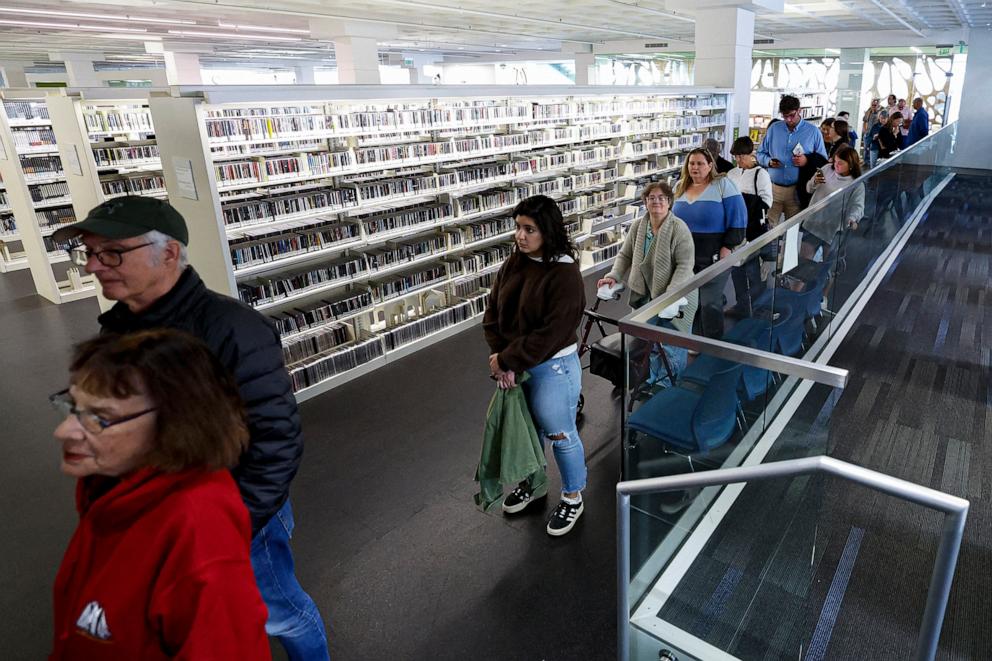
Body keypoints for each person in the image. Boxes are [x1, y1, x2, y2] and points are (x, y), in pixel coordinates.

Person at [51, 197, 329, 660]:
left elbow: (275, 440)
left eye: (112, 252)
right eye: (89, 253)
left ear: (169, 253)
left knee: (278, 610)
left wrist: (230, 523)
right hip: (155, 509)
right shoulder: (117, 328)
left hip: (231, 514)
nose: (94, 267)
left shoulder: (234, 329)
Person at [50, 330, 270, 659]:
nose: (63, 431)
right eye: (73, 406)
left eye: (100, 418)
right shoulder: (108, 489)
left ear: (174, 424)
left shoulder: (198, 532)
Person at [483, 194, 588, 537]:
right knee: (530, 432)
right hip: (518, 367)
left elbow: (551, 334)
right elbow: (492, 314)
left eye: (529, 229)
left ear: (548, 231)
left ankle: (573, 496)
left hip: (552, 370)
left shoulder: (564, 274)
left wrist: (507, 360)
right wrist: (504, 360)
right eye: (517, 228)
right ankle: (536, 481)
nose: (520, 236)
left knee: (561, 434)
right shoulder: (515, 263)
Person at [598, 181, 697, 382]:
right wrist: (613, 276)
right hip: (646, 294)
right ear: (645, 201)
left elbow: (685, 265)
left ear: (670, 202)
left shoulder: (679, 228)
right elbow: (625, 255)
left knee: (671, 343)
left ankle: (669, 385)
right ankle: (649, 379)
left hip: (677, 296)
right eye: (652, 198)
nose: (657, 202)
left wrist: (671, 295)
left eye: (662, 198)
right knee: (643, 340)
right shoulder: (638, 226)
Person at [672, 148, 748, 338]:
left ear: (710, 166)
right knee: (690, 301)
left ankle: (713, 345)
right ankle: (696, 339)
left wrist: (728, 246)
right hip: (685, 256)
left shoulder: (723, 184)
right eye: (691, 163)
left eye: (700, 163)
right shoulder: (680, 187)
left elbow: (738, 218)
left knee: (709, 302)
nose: (695, 167)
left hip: (714, 254)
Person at [756, 94, 828, 229]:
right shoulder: (774, 129)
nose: (788, 120)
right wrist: (769, 161)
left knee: (793, 230)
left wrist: (807, 160)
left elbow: (823, 161)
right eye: (785, 116)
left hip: (797, 189)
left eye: (791, 115)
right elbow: (760, 154)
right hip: (773, 188)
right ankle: (770, 251)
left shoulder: (813, 132)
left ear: (799, 110)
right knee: (767, 230)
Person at [726, 136, 773, 314]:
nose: (738, 160)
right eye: (736, 157)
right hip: (735, 228)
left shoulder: (761, 174)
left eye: (741, 156)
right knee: (736, 270)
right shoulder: (731, 174)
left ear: (750, 154)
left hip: (753, 229)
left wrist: (747, 206)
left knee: (753, 270)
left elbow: (767, 201)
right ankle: (742, 306)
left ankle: (757, 307)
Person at [802, 145, 865, 260]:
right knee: (804, 262)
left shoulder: (857, 184)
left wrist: (852, 218)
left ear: (851, 165)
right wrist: (814, 182)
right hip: (813, 223)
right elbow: (808, 188)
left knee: (828, 265)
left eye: (840, 163)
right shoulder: (826, 169)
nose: (836, 165)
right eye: (835, 161)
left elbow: (858, 205)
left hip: (833, 229)